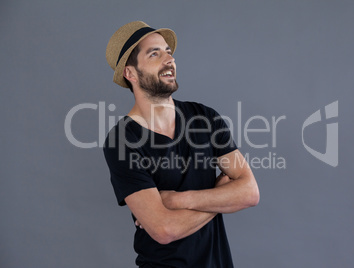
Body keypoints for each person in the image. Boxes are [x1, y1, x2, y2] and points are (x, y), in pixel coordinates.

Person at [103, 21, 260, 268]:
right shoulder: (122, 140)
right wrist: (221, 198)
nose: (169, 59)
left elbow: (250, 193)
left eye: (169, 51)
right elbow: (164, 229)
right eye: (154, 53)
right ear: (130, 73)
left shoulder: (205, 117)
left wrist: (176, 200)